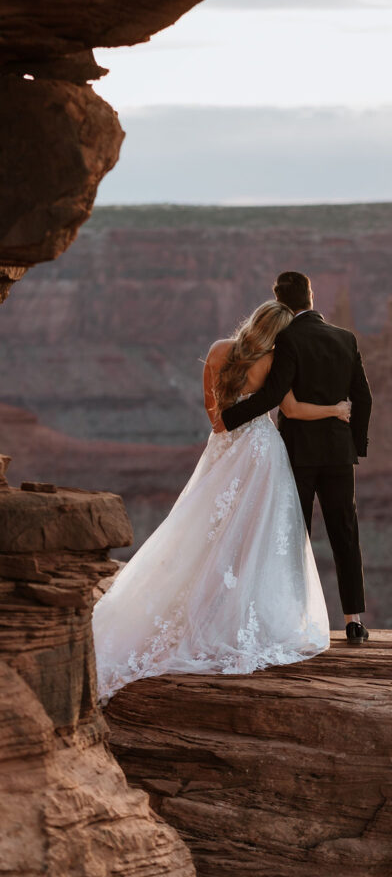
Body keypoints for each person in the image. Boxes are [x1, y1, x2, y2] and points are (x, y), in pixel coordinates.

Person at [93, 300, 351, 703]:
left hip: (221, 450)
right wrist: (336, 409)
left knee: (203, 532)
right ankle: (234, 618)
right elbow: (293, 409)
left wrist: (229, 424)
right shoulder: (277, 360)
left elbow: (216, 419)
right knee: (257, 539)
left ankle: (193, 612)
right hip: (262, 452)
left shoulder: (217, 351)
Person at [221, 272, 373, 646]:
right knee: (345, 534)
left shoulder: (287, 339)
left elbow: (273, 395)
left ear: (282, 303)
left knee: (296, 535)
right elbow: (364, 399)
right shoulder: (346, 338)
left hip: (299, 454)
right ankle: (353, 622)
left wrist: (228, 419)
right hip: (339, 454)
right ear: (311, 295)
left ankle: (296, 616)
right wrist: (356, 445)